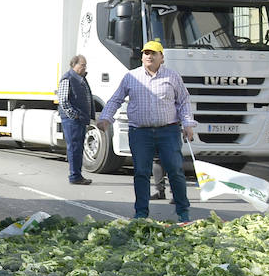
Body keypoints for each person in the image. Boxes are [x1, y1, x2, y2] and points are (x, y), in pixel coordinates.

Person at [95, 40, 196, 222]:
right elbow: (115, 99)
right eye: (146, 53)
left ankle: (183, 212)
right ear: (142, 57)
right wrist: (105, 118)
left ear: (162, 58)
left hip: (169, 131)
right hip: (140, 133)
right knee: (141, 172)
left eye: (153, 53)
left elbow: (183, 101)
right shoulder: (131, 77)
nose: (149, 56)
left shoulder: (172, 77)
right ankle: (141, 213)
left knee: (175, 170)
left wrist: (188, 124)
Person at [56, 55, 95, 185]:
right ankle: (75, 176)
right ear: (74, 65)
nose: (84, 67)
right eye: (82, 65)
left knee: (78, 148)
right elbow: (63, 100)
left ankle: (77, 175)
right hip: (72, 120)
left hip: (79, 119)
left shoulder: (81, 78)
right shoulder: (68, 78)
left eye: (85, 65)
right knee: (74, 147)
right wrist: (74, 115)